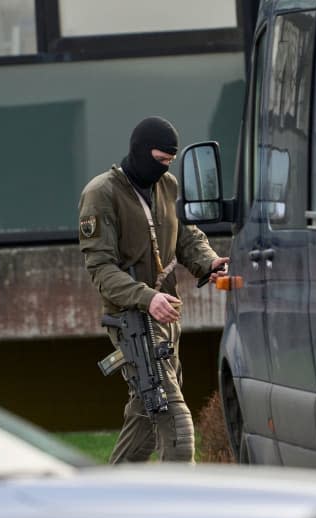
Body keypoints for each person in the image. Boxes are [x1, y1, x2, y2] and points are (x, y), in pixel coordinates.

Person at [78, 116, 229, 463]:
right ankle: (179, 513)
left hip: (166, 319)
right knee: (177, 428)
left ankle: (107, 504)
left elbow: (187, 237)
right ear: (141, 152)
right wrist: (147, 298)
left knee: (145, 420)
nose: (163, 169)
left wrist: (210, 263)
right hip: (133, 322)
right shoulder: (101, 194)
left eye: (170, 163)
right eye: (160, 161)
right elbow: (101, 269)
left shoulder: (169, 186)